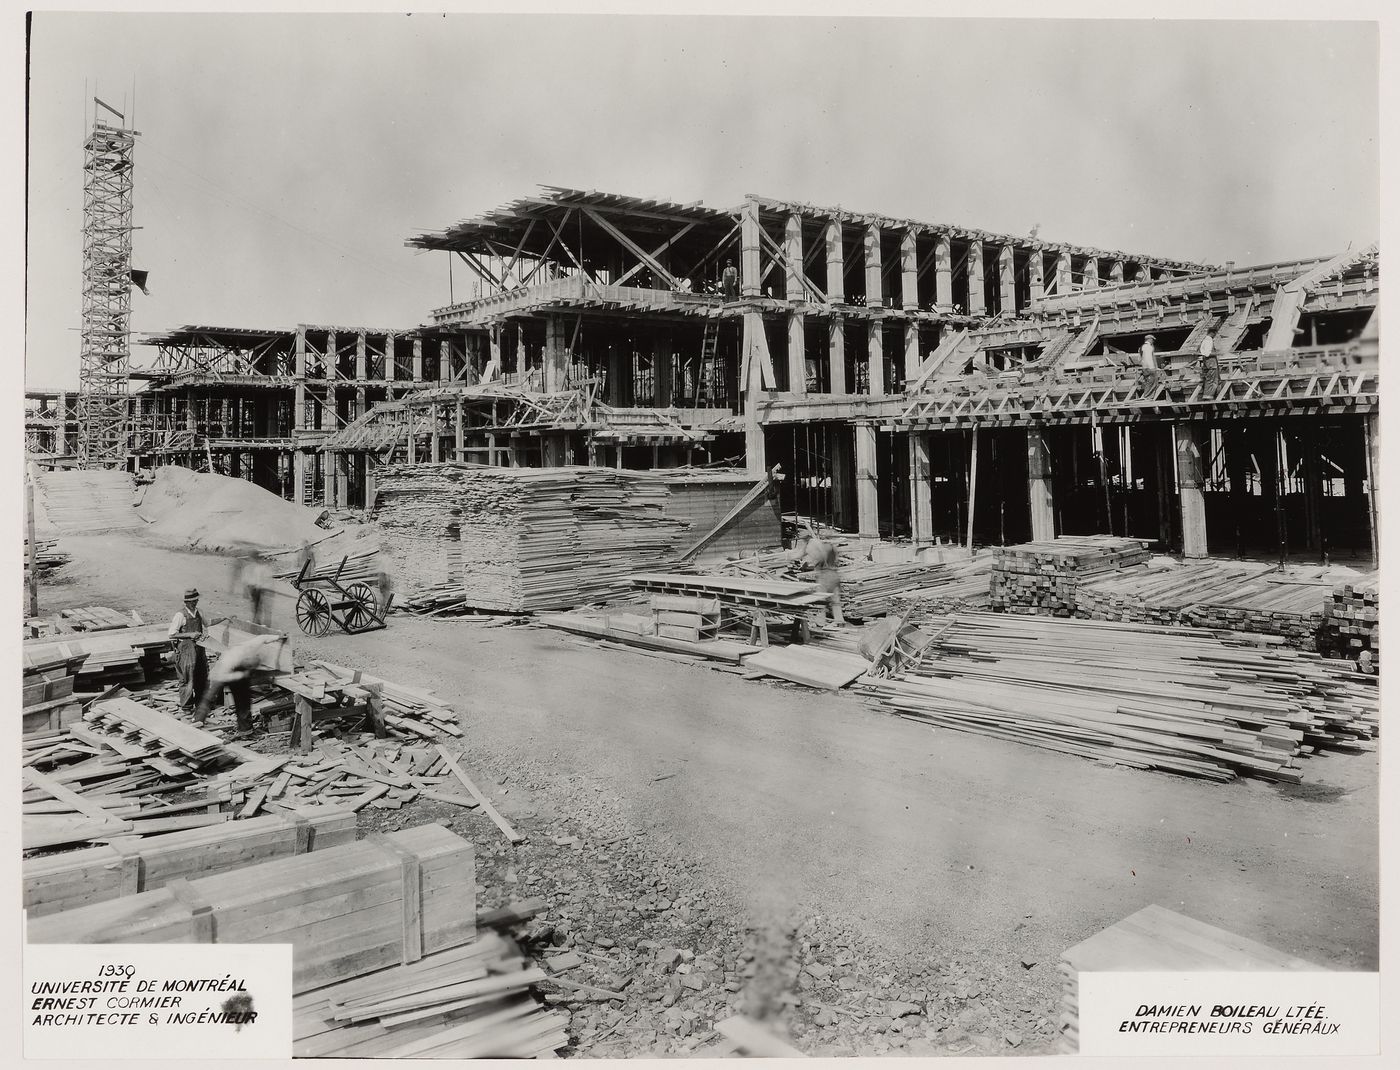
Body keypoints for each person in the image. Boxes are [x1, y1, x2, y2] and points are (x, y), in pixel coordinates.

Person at [195, 635, 288, 734]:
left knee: (243, 701)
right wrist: (242, 674)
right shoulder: (231, 660)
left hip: (239, 671)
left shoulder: (250, 647)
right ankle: (197, 723)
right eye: (250, 666)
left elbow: (263, 638)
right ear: (245, 661)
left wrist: (278, 637)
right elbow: (225, 677)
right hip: (220, 675)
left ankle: (246, 731)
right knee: (208, 699)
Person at [168, 588, 208, 711]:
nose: (194, 603)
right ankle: (187, 707)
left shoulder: (199, 612)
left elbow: (208, 623)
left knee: (201, 676)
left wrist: (224, 619)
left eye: (195, 600)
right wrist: (190, 634)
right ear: (186, 602)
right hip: (186, 650)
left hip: (199, 649)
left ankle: (200, 704)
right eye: (191, 601)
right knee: (187, 678)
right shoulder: (180, 615)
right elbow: (172, 634)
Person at [796, 530, 845, 626]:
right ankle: (840, 621)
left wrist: (811, 564)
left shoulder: (812, 546)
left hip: (824, 575)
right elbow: (836, 560)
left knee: (821, 599)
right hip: (835, 574)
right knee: (835, 600)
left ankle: (821, 622)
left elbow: (819, 558)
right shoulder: (832, 547)